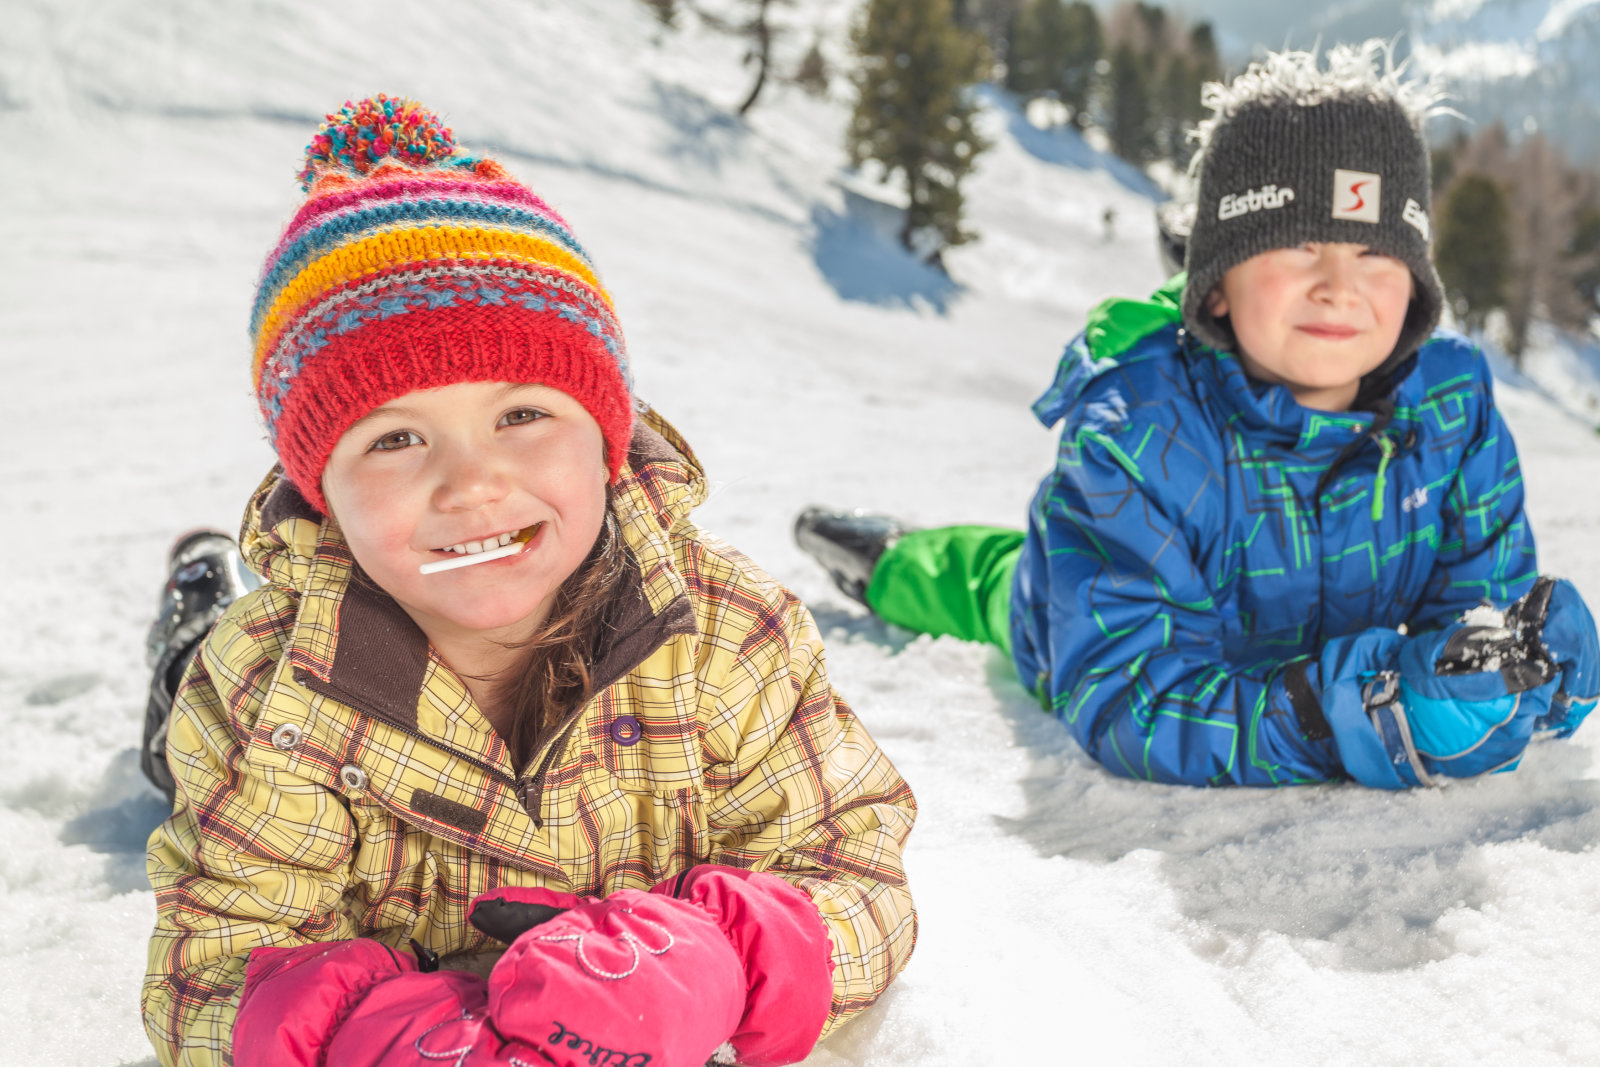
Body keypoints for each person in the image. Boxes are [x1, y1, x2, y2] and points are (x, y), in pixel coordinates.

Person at [141, 97, 917, 1067]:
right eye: (395, 437)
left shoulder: (727, 632)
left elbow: (852, 872)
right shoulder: (263, 690)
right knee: (181, 713)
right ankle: (194, 594)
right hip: (246, 697)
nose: (471, 483)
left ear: (605, 442)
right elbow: (209, 967)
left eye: (521, 416)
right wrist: (352, 1030)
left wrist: (730, 959)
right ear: (321, 493)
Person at [796, 42, 1599, 790]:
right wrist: (1362, 711)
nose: (1338, 287)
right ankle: (889, 559)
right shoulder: (1138, 433)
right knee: (998, 583)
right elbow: (1129, 697)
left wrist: (1517, 674)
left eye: (1374, 253)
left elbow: (1474, 604)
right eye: (1299, 248)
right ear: (1216, 283)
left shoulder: (1452, 405)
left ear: (1418, 287)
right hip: (1077, 604)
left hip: (1260, 635)